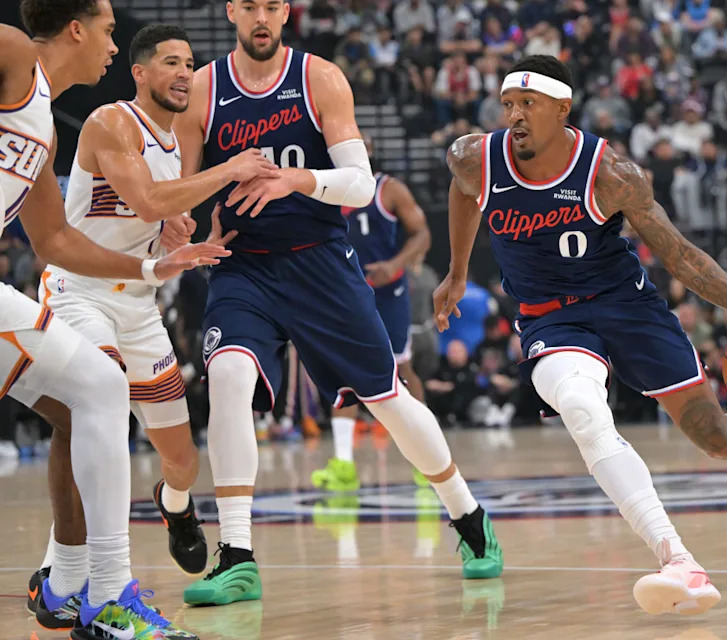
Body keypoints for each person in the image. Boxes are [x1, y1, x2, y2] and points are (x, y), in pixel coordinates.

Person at [435, 55, 727, 616]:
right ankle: (678, 559)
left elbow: (679, 256)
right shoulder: (475, 158)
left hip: (627, 306)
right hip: (550, 318)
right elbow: (463, 191)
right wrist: (457, 273)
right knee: (581, 407)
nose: (515, 116)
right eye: (508, 104)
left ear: (562, 107)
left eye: (527, 104)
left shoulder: (611, 174)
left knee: (715, 436)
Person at [174, 0, 502, 606]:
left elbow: (360, 182)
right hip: (244, 266)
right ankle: (238, 555)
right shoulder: (203, 88)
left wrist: (296, 179)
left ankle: (468, 516)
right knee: (226, 377)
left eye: (272, 5)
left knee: (388, 397)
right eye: (250, 7)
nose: (262, 17)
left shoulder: (318, 77)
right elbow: (183, 188)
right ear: (231, 13)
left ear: (286, 11)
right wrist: (183, 230)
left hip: (319, 260)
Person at [27, 24, 279, 631]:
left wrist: (177, 235)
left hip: (139, 304)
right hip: (79, 293)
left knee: (182, 460)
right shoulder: (111, 121)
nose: (184, 73)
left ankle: (175, 506)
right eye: (171, 62)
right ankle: (63, 574)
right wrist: (230, 170)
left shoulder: (172, 142)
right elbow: (146, 201)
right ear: (139, 72)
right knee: (97, 410)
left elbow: (157, 214)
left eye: (190, 63)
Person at [2, 3, 227, 638]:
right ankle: (99, 593)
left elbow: (54, 239)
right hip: (80, 297)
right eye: (106, 28)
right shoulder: (17, 54)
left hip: (120, 295)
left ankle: (77, 587)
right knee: (96, 391)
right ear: (75, 28)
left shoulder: (41, 122)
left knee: (92, 399)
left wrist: (158, 269)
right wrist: (234, 168)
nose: (111, 41)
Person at [315, 139, 432, 490]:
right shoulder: (325, 192)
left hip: (387, 292)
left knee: (402, 370)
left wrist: (396, 265)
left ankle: (426, 459)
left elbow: (423, 234)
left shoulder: (389, 189)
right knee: (343, 374)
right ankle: (343, 465)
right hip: (345, 296)